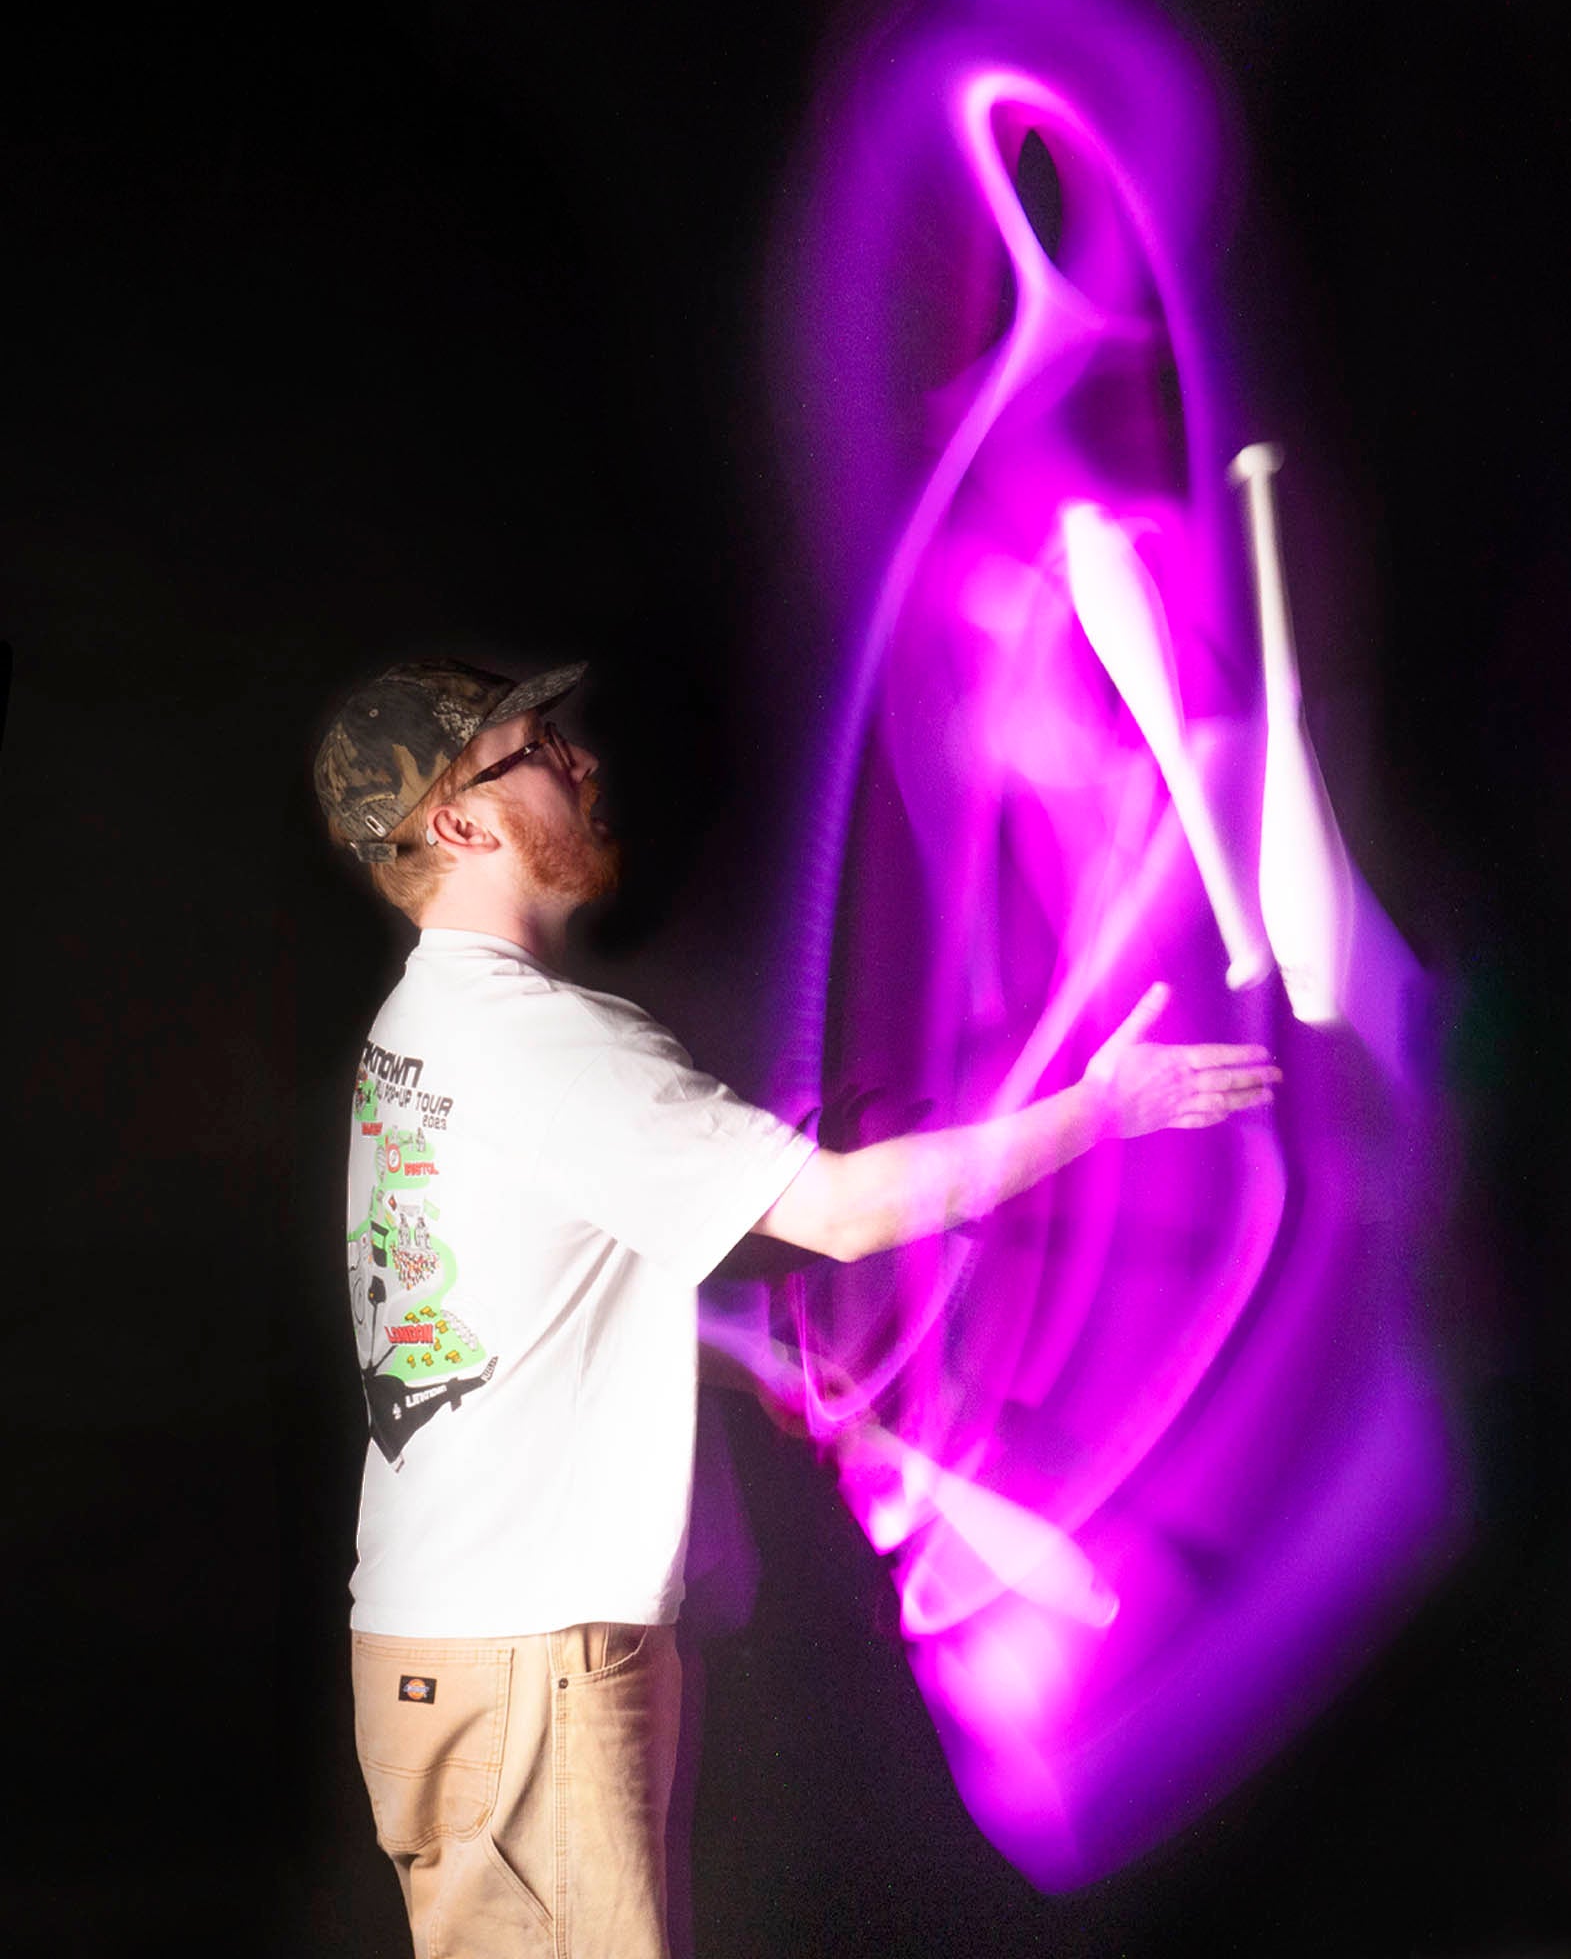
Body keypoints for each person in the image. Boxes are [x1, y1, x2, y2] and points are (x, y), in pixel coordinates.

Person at [312, 656, 1279, 1958]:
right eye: (535, 746)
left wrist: (740, 1360)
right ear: (461, 821)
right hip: (528, 1665)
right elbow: (840, 1211)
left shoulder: (424, 1029)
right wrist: (1103, 1109)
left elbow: (500, 1307)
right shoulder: (540, 1045)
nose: (580, 759)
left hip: (464, 1650)